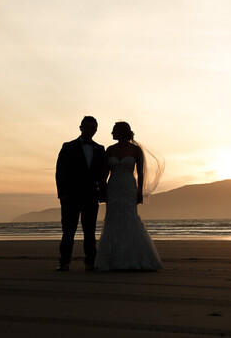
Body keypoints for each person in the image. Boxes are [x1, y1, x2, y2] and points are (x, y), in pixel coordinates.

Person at [94, 121, 163, 271]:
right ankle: (113, 258)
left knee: (130, 216)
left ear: (122, 132)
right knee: (113, 218)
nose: (112, 133)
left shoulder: (135, 150)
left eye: (114, 130)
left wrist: (140, 191)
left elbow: (141, 172)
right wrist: (102, 189)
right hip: (113, 186)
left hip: (128, 186)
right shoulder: (110, 149)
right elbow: (105, 172)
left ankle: (134, 257)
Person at [55, 116, 108, 271]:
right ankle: (64, 262)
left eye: (93, 127)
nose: (89, 130)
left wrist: (102, 190)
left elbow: (103, 172)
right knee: (68, 231)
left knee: (90, 231)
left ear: (96, 130)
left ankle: (90, 262)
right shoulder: (68, 147)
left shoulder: (100, 149)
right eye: (87, 127)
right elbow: (60, 172)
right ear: (80, 128)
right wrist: (62, 194)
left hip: (91, 196)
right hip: (70, 196)